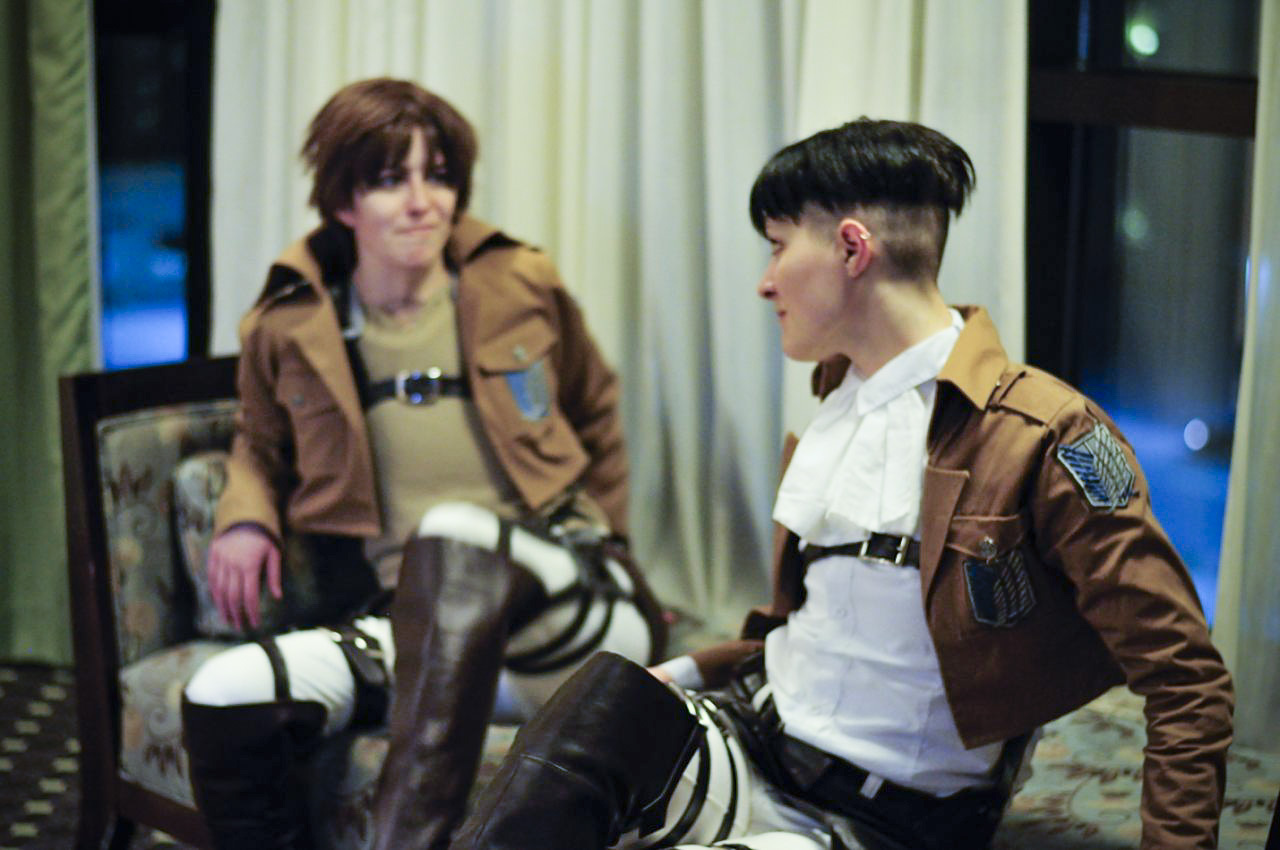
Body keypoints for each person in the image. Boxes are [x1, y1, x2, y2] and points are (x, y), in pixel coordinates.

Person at [450, 118, 1235, 850]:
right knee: (599, 706)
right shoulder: (838, 398)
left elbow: (1187, 682)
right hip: (751, 740)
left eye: (777, 246)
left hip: (879, 821)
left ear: (853, 248)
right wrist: (686, 671)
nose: (765, 283)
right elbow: (816, 628)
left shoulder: (1042, 433)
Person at [179, 77, 666, 850]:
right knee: (222, 694)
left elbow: (595, 409)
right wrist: (245, 518)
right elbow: (258, 443)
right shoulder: (289, 326)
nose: (421, 202)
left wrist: (612, 546)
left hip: (569, 624)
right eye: (388, 180)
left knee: (453, 534)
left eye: (437, 176)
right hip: (417, 638)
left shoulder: (520, 284)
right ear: (343, 202)